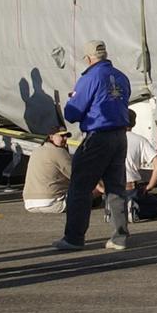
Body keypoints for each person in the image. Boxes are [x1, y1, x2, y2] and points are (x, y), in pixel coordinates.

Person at [55, 40, 131, 252]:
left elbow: (73, 113)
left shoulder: (90, 78)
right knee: (116, 188)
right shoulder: (121, 77)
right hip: (119, 136)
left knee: (80, 186)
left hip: (97, 137)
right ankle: (120, 237)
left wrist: (72, 101)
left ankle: (74, 238)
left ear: (88, 59)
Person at [122, 110, 157, 222]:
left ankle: (115, 210)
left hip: (112, 188)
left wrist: (99, 186)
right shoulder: (140, 140)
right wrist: (150, 185)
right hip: (130, 187)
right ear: (134, 123)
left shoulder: (108, 140)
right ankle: (134, 209)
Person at [24, 128, 72, 214]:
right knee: (92, 190)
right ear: (51, 137)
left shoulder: (36, 151)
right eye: (62, 136)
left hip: (29, 204)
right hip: (53, 204)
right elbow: (76, 175)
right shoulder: (59, 152)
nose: (65, 139)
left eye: (66, 136)